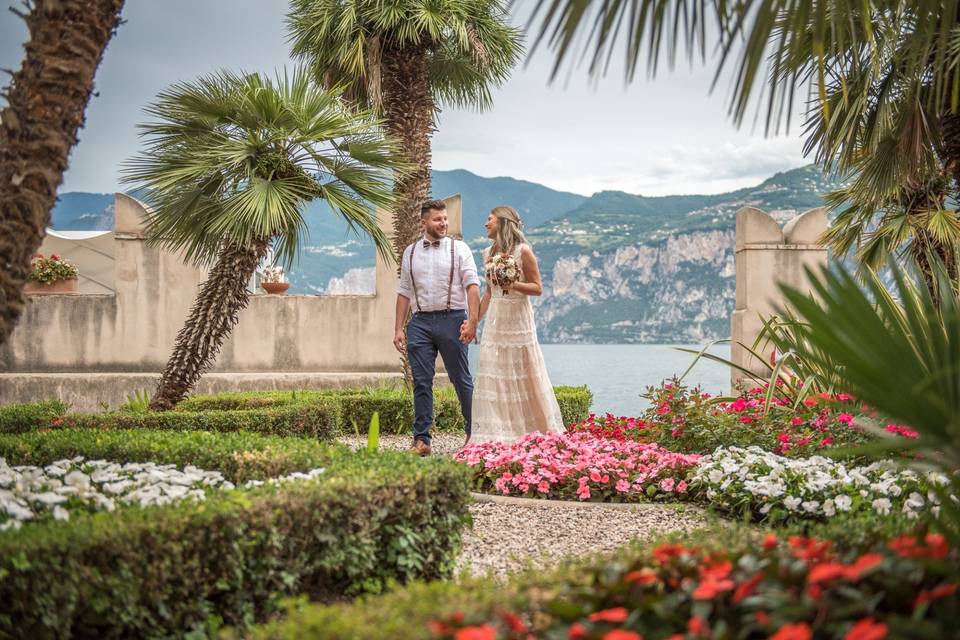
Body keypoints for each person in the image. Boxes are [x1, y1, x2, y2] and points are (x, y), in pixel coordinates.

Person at [470, 205, 565, 444]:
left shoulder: (523, 252)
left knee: (525, 373)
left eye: (489, 219)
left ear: (502, 223)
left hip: (519, 321)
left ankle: (534, 432)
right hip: (495, 322)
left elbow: (537, 288)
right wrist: (474, 323)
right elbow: (488, 294)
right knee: (496, 374)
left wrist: (512, 284)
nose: (485, 223)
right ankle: (497, 435)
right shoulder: (486, 254)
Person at [393, 199, 481, 456]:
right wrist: (398, 328)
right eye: (437, 219)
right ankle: (422, 440)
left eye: (445, 219)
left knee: (461, 379)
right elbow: (404, 292)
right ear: (424, 222)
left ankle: (473, 434)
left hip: (453, 318)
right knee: (421, 381)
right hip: (419, 322)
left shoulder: (460, 249)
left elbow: (472, 286)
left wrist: (473, 321)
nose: (443, 223)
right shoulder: (410, 252)